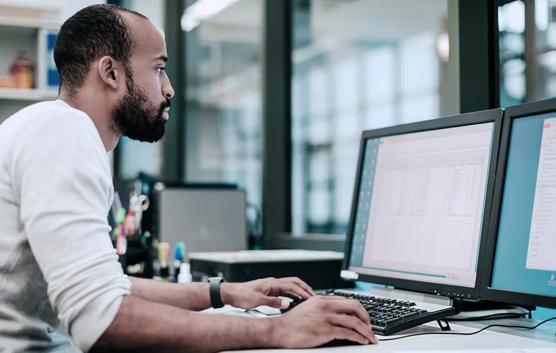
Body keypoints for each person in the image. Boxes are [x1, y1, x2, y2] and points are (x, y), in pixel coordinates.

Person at [0, 4, 376, 352]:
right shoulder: (64, 134)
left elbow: (111, 288)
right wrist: (278, 330)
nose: (169, 89)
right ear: (111, 72)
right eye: (158, 68)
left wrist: (224, 293)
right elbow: (103, 318)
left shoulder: (51, 129)